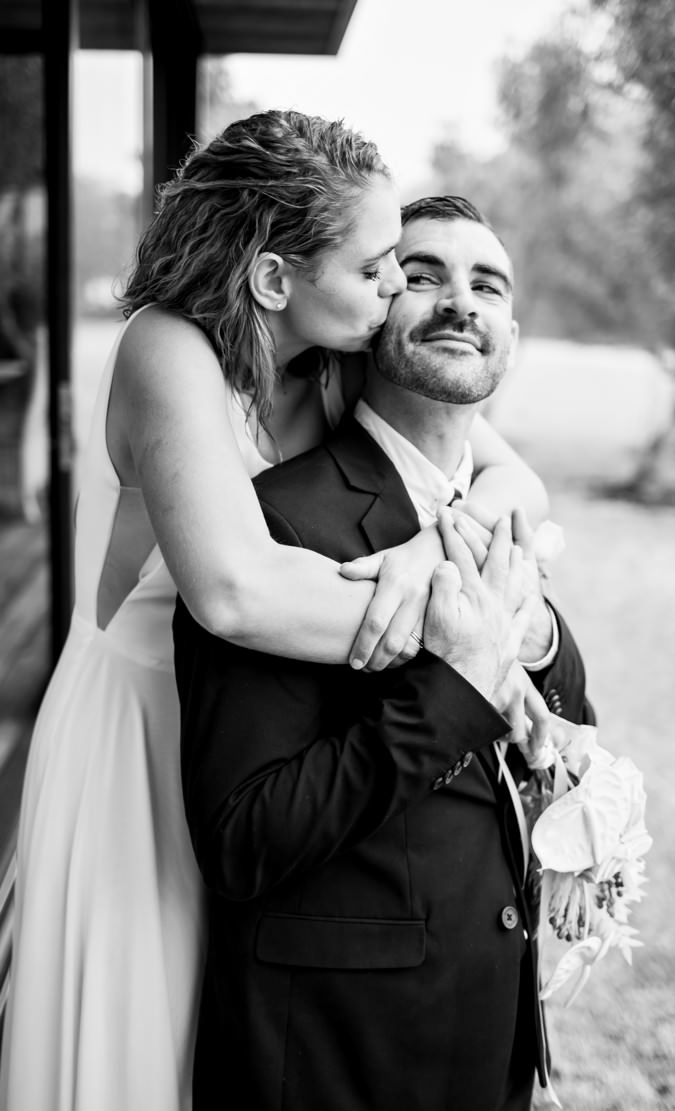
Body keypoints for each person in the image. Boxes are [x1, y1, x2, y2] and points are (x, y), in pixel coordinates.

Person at [0, 112, 547, 1111]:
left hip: (259, 726)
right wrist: (466, 630)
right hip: (142, 734)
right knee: (142, 1040)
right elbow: (235, 591)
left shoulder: (327, 365)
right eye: (379, 267)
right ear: (273, 281)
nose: (398, 290)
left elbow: (515, 484)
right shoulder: (167, 352)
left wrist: (461, 557)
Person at [175, 195, 588, 1111]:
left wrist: (540, 638)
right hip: (340, 1054)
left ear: (510, 339)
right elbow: (243, 838)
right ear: (367, 319)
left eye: (487, 283)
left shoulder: (498, 511)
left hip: (485, 1038)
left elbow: (562, 706)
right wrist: (456, 686)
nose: (460, 300)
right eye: (423, 274)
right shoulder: (278, 522)